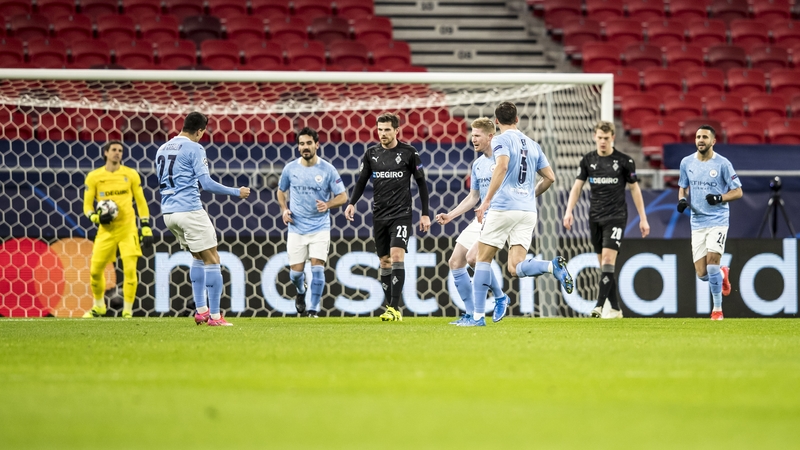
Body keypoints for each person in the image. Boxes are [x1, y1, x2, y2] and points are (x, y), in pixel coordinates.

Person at [466, 102, 574, 327]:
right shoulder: (533, 144)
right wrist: (530, 195)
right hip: (527, 211)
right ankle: (551, 266)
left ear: (496, 122)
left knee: (481, 259)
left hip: (503, 207)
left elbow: (502, 166)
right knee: (515, 267)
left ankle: (477, 318)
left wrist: (486, 201)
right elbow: (550, 177)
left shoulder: (500, 140)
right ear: (517, 119)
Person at [156, 112, 251, 326]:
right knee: (213, 259)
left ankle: (201, 311)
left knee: (198, 258)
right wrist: (237, 192)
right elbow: (206, 184)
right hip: (189, 210)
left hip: (168, 213)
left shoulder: (162, 149)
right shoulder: (195, 148)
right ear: (200, 131)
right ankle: (215, 317)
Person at [344, 112, 431, 322]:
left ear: (396, 131)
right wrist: (351, 203)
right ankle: (391, 308)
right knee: (384, 261)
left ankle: (393, 307)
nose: (382, 134)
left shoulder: (409, 153)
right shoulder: (371, 154)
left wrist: (425, 214)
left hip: (402, 214)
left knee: (397, 256)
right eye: (380, 129)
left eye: (387, 130)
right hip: (379, 214)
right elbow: (361, 181)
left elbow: (421, 184)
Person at [562, 121, 650, 319]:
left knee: (609, 260)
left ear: (613, 138)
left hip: (616, 217)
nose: (602, 141)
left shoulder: (624, 161)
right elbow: (576, 187)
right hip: (594, 217)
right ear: (595, 137)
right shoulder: (587, 160)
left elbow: (635, 189)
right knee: (605, 267)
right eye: (599, 138)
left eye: (606, 138)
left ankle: (599, 306)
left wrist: (643, 219)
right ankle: (617, 309)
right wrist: (569, 211)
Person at [435, 117, 509, 325]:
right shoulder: (477, 164)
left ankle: (500, 297)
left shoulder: (502, 160)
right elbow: (473, 197)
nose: (472, 139)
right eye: (472, 134)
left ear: (490, 136)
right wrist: (450, 215)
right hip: (481, 219)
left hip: (498, 217)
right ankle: (469, 314)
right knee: (455, 262)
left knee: (474, 258)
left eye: (477, 135)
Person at [277, 127, 348, 318]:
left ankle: (313, 310)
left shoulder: (327, 169)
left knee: (317, 268)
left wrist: (328, 204)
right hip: (296, 227)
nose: (305, 147)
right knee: (295, 275)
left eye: (309, 143)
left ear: (317, 144)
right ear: (298, 146)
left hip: (320, 227)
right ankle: (301, 292)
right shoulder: (290, 169)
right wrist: (284, 209)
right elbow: (281, 191)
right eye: (302, 143)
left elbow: (343, 196)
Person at [82, 141, 153, 318]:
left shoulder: (130, 174)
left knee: (130, 270)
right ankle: (99, 306)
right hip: (105, 230)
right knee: (95, 271)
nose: (117, 153)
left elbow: (141, 201)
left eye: (120, 150)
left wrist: (145, 226)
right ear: (106, 153)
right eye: (114, 150)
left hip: (127, 229)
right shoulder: (94, 177)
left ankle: (127, 312)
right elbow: (87, 206)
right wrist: (95, 218)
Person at [678, 125, 741, 320]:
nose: (700, 140)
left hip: (717, 220)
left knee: (712, 264)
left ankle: (717, 310)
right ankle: (722, 275)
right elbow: (683, 187)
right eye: (697, 137)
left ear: (713, 141)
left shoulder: (722, 164)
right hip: (697, 221)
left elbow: (738, 191)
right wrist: (681, 199)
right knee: (702, 273)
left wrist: (720, 198)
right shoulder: (686, 162)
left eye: (704, 137)